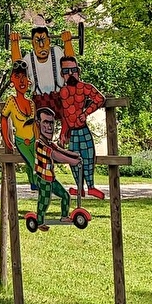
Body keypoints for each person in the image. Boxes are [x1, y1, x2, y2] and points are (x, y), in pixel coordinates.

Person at [54, 54, 106, 200]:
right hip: (73, 133)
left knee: (88, 157)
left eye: (73, 70)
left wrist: (86, 112)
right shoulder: (62, 92)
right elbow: (64, 114)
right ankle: (79, 187)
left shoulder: (85, 87)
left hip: (83, 129)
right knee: (74, 159)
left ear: (78, 71)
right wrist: (63, 132)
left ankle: (91, 186)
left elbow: (100, 98)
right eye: (66, 71)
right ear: (62, 74)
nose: (70, 74)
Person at [30, 106, 81, 222]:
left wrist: (74, 155)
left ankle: (64, 217)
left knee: (65, 195)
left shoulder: (49, 143)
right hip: (43, 179)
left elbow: (60, 150)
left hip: (51, 178)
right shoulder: (39, 144)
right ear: (38, 124)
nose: (49, 127)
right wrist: (72, 161)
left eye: (51, 123)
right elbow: (55, 155)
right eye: (45, 122)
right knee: (44, 201)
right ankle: (39, 222)